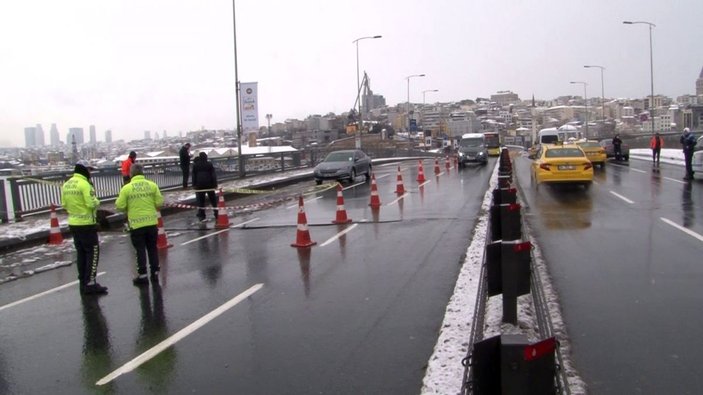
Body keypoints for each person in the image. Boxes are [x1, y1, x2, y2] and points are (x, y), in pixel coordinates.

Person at [61, 160, 108, 295]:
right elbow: (91, 203)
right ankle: (91, 282)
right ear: (84, 169)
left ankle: (83, 280)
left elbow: (64, 204)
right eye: (89, 170)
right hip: (87, 224)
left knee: (81, 253)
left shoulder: (67, 184)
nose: (90, 172)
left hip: (74, 224)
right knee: (92, 253)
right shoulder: (85, 184)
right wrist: (97, 201)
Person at [115, 164, 164, 285]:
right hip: (151, 222)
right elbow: (159, 202)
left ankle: (142, 275)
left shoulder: (126, 188)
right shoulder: (152, 185)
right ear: (142, 173)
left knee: (140, 250)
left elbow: (119, 206)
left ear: (131, 174)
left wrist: (129, 207)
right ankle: (155, 272)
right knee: (152, 248)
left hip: (136, 224)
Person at [191, 152, 219, 222]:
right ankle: (216, 213)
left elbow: (193, 176)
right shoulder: (209, 164)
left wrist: (194, 185)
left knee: (201, 201)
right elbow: (213, 175)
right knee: (213, 200)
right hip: (209, 185)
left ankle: (202, 215)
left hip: (199, 185)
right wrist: (215, 184)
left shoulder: (195, 165)